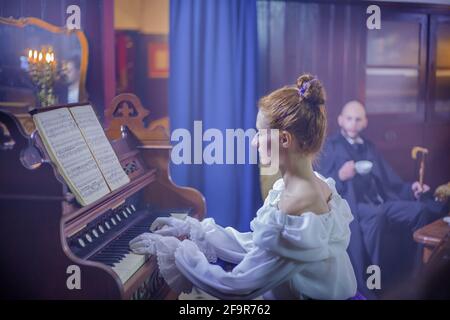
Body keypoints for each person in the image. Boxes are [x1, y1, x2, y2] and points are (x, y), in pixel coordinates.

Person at [129, 74, 358, 300]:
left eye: (260, 133)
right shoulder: (311, 184)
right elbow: (257, 246)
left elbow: (237, 286)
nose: (254, 141)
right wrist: (193, 231)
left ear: (285, 139)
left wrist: (176, 251)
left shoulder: (297, 203)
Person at [317, 100, 449, 298]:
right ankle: (373, 284)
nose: (353, 123)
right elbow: (322, 183)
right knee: (376, 216)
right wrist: (340, 176)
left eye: (358, 119)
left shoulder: (369, 147)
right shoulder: (332, 146)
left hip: (382, 202)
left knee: (420, 209)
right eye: (349, 119)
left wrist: (411, 188)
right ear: (341, 121)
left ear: (365, 122)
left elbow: (390, 181)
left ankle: (418, 274)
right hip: (354, 206)